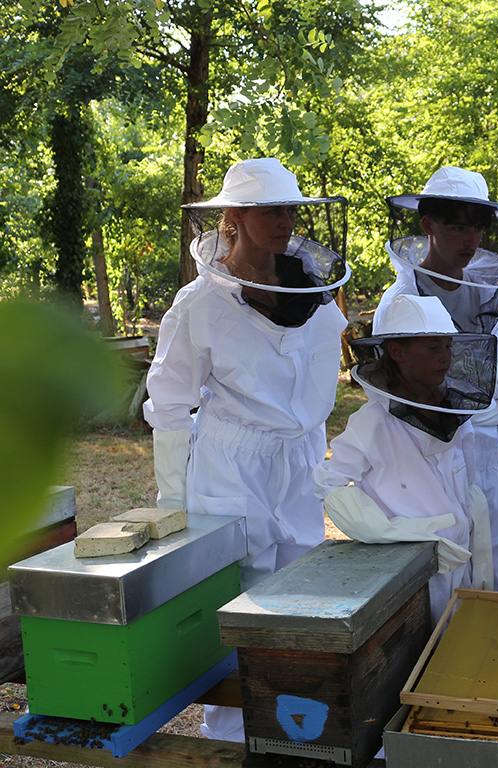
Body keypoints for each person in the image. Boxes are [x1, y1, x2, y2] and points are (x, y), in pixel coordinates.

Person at [143, 157, 350, 742]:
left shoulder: (317, 295)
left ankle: (294, 731)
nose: (284, 221)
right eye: (269, 210)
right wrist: (173, 503)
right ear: (233, 217)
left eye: (290, 209)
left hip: (302, 458)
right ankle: (230, 737)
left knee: (300, 591)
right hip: (232, 462)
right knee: (239, 596)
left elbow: (325, 378)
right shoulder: (198, 304)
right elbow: (169, 404)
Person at [377, 166, 498, 592]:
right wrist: (482, 372)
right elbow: (396, 391)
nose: (471, 239)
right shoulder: (398, 303)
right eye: (458, 226)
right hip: (425, 458)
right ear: (428, 225)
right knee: (440, 578)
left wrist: (447, 368)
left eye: (478, 228)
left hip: (492, 456)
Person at [312, 294, 496, 625]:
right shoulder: (373, 421)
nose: (444, 358)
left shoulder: (452, 411)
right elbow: (331, 483)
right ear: (397, 352)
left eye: (447, 347)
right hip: (409, 569)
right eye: (432, 348)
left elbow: (466, 486)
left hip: (459, 558)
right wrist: (395, 530)